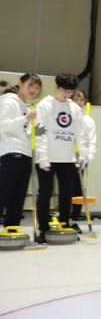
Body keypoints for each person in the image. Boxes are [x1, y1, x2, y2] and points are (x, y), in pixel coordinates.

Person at [34, 73, 87, 243]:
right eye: (64, 90)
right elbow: (40, 132)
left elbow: (80, 134)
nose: (66, 94)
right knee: (45, 193)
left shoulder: (75, 109)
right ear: (56, 87)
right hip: (48, 157)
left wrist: (83, 155)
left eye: (70, 92)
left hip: (68, 158)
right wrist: (43, 158)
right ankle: (43, 228)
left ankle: (65, 222)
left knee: (66, 194)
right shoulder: (44, 105)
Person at [0, 74, 42, 228]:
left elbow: (24, 131)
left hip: (26, 154)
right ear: (20, 83)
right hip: (12, 152)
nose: (34, 90)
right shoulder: (9, 100)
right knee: (4, 192)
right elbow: (2, 124)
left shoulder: (25, 106)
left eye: (37, 88)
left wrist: (37, 131)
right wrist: (25, 119)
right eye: (30, 85)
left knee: (18, 196)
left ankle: (12, 229)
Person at [70, 89, 96, 227]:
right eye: (76, 99)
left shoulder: (88, 120)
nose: (79, 102)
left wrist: (89, 157)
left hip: (82, 158)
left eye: (81, 99)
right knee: (66, 188)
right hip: (67, 157)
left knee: (79, 188)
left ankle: (76, 216)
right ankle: (65, 215)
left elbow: (92, 140)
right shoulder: (68, 116)